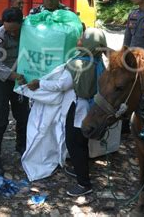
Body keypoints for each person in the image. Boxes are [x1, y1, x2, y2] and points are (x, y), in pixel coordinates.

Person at [26, 28, 107, 196]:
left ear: (90, 44)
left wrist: (39, 83)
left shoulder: (79, 64)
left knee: (74, 143)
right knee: (81, 143)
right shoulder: (96, 61)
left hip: (78, 108)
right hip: (88, 109)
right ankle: (79, 169)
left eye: (83, 37)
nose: (79, 38)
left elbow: (61, 85)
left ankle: (84, 183)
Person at [0, 7, 29, 176]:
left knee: (23, 115)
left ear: (21, 23)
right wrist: (14, 76)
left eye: (15, 31)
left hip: (21, 76)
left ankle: (22, 147)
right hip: (2, 77)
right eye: (8, 30)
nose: (11, 34)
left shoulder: (29, 31)